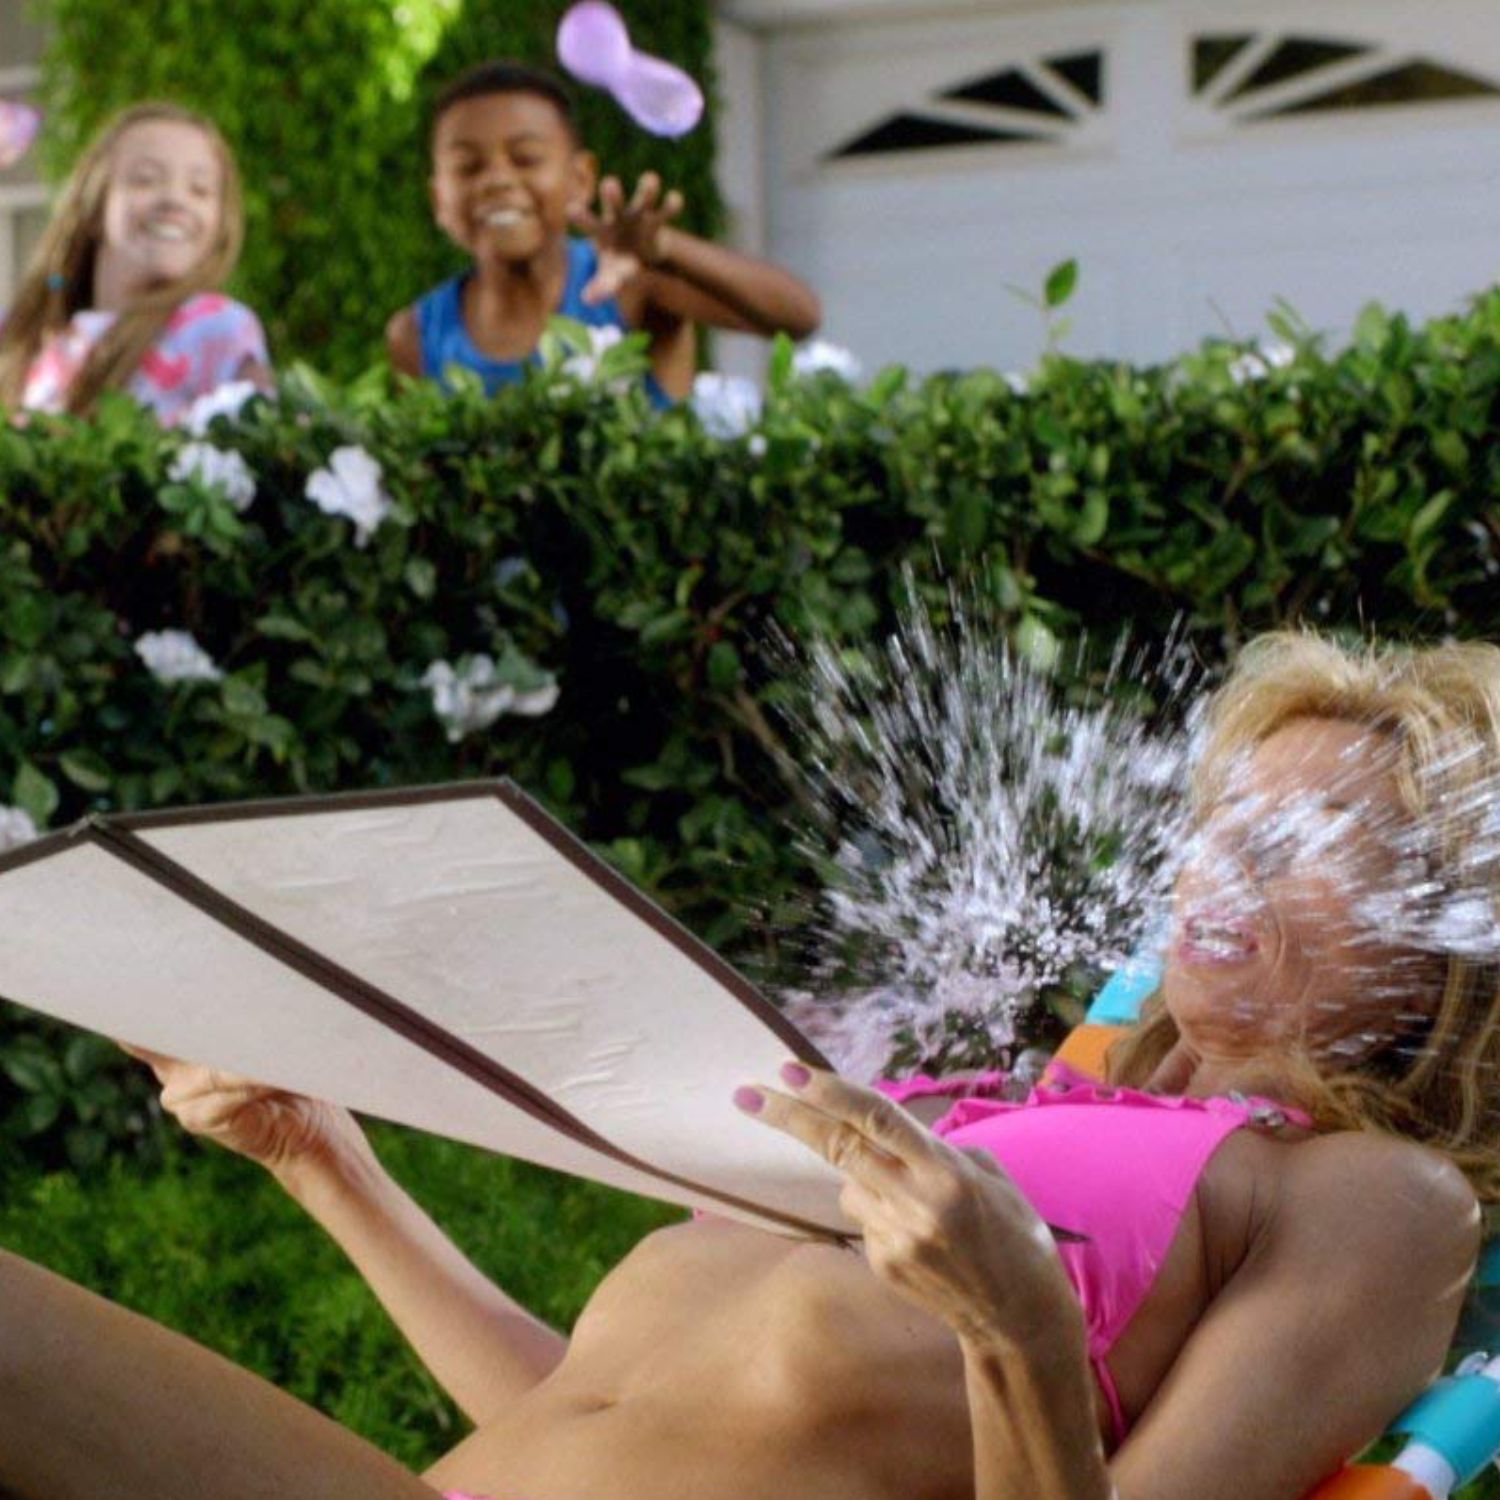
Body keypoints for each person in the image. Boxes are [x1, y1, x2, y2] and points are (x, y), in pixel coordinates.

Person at [1, 630, 1497, 1500]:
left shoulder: (1371, 1199)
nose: (1227, 867)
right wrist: (321, 1159)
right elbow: (593, 1411)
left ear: (1453, 942)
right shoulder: (990, 1118)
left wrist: (1019, 1335)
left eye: (1314, 845)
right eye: (1227, 823)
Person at [384, 62, 822, 405]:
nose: (497, 180)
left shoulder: (631, 284)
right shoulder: (417, 337)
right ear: (438, 198)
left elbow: (798, 317)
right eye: (467, 167)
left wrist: (665, 248)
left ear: (580, 179)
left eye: (526, 158)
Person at [0, 102, 271, 425]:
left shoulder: (218, 328)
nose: (175, 199)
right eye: (145, 180)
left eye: (200, 190)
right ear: (93, 206)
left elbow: (261, 437)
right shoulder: (20, 337)